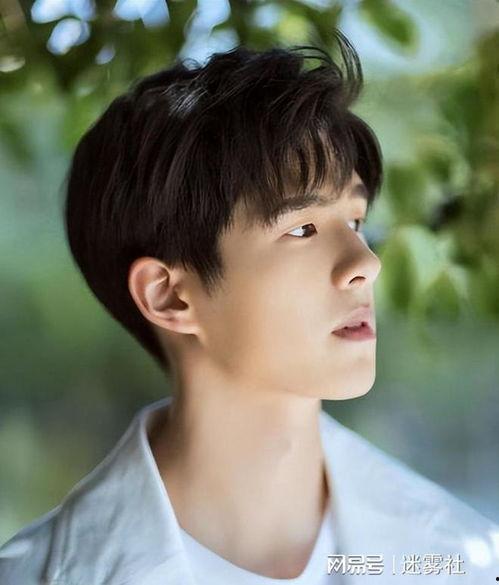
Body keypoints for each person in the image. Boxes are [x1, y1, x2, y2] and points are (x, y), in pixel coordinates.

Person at [1, 29, 498, 585]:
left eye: (355, 221)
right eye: (302, 228)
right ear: (170, 295)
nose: (365, 263)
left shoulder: (467, 556)